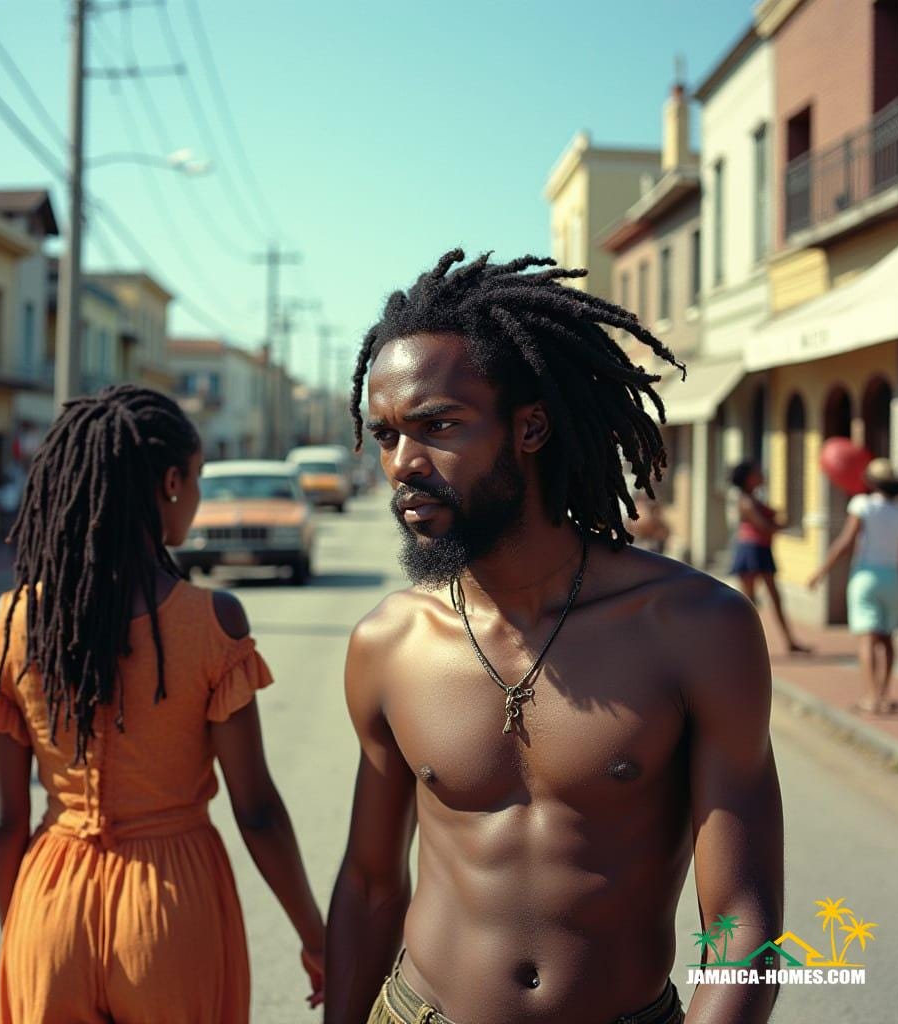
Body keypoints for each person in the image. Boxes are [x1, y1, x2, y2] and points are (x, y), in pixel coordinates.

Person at [325, 251, 784, 1024]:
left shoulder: (697, 628)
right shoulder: (389, 642)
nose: (402, 464)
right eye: (387, 435)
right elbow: (370, 886)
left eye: (438, 425)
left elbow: (743, 918)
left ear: (530, 426)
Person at [0, 386, 324, 1023]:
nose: (200, 496)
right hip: (172, 913)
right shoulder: (214, 621)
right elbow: (256, 809)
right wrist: (316, 939)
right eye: (200, 478)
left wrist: (25, 935)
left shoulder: (8, 623)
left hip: (50, 905)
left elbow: (1, 819)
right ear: (172, 483)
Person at [808, 458, 898, 715]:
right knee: (887, 639)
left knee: (867, 639)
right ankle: (884, 694)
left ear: (871, 482)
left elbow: (846, 542)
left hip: (865, 577)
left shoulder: (862, 505)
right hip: (893, 579)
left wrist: (820, 572)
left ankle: (871, 697)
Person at [728, 460, 811, 655]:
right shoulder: (747, 501)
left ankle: (788, 641)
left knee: (771, 598)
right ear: (749, 478)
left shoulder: (754, 499)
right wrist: (781, 526)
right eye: (757, 472)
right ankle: (740, 644)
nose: (762, 475)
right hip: (751, 549)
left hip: (760, 549)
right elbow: (764, 526)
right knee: (748, 602)